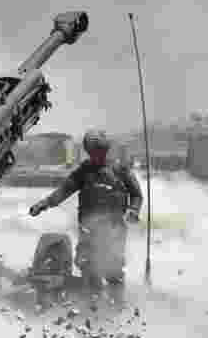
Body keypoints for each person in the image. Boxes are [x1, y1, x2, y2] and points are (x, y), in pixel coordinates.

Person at [28, 129, 143, 301]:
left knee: (114, 269)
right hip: (89, 229)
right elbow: (64, 190)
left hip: (114, 229)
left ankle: (117, 306)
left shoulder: (120, 170)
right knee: (88, 266)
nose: (99, 156)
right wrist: (44, 204)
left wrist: (133, 211)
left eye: (102, 152)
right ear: (89, 152)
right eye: (94, 152)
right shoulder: (84, 171)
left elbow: (137, 194)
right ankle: (91, 306)